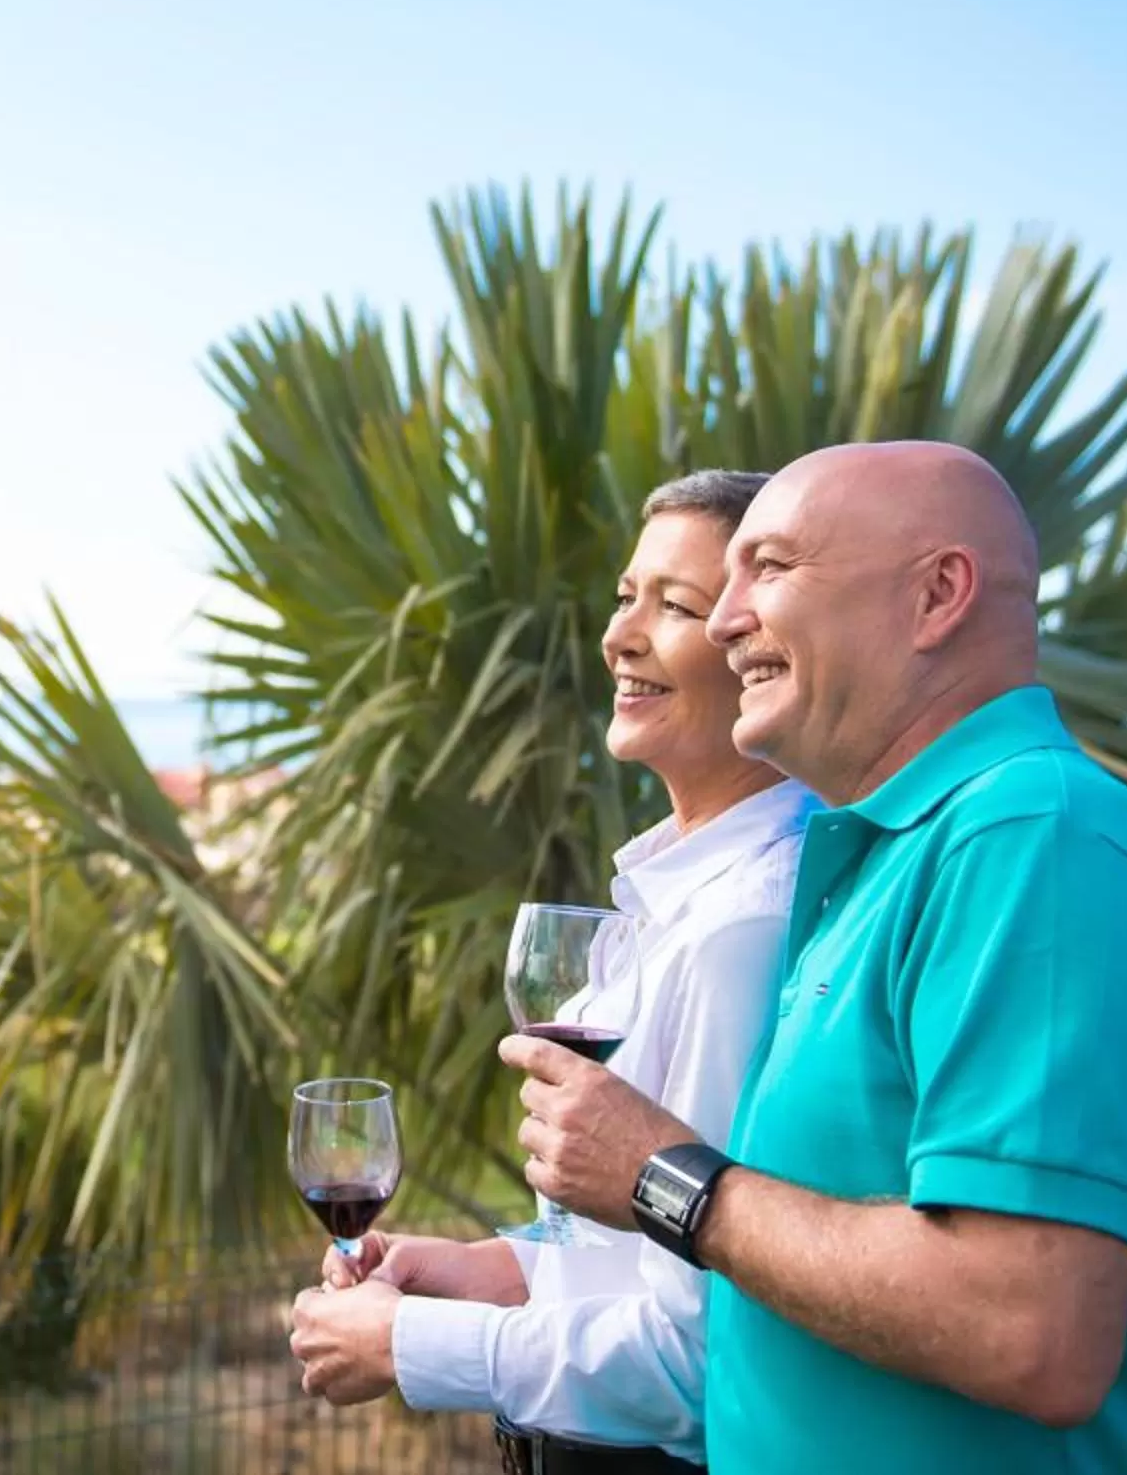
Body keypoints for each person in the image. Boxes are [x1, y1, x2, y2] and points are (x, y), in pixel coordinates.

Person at [500, 442, 1127, 1473]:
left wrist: (661, 1175)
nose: (724, 619)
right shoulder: (896, 858)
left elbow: (1028, 1328)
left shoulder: (1034, 838)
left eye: (770, 568)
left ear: (938, 595)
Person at [289, 470, 812, 1472]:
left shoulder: (741, 930)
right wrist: (489, 1267)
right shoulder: (664, 898)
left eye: (677, 605)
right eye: (626, 595)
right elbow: (640, 1257)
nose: (621, 634)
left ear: (757, 641)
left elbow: (702, 1356)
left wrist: (407, 1342)